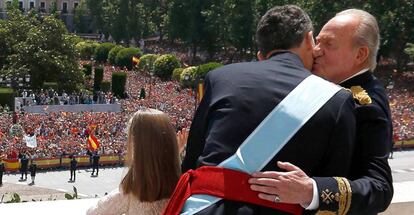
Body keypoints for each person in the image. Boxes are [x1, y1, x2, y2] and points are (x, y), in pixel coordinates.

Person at [178, 5, 357, 214]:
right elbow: (336, 186)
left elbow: (192, 161)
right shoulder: (337, 99)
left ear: (261, 54)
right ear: (309, 39)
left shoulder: (219, 78)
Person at [249, 9, 393, 214]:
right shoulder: (321, 88)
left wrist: (312, 191)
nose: (316, 50)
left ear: (360, 54)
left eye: (328, 44)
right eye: (317, 42)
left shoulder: (365, 105)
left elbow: (380, 189)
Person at [87, 109, 187, 215]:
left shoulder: (131, 193)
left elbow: (93, 213)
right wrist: (173, 155)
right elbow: (161, 167)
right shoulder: (184, 185)